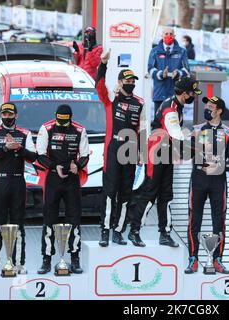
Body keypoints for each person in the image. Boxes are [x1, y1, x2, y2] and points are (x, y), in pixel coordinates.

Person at [128, 77, 202, 247]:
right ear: (184, 94)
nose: (193, 97)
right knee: (150, 193)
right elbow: (177, 134)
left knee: (167, 194)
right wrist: (197, 144)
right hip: (156, 153)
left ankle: (165, 233)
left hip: (167, 153)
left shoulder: (177, 105)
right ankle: (134, 231)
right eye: (192, 93)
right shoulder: (171, 108)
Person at [185, 96, 229, 274]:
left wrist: (220, 166)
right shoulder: (196, 130)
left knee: (219, 222)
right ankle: (193, 258)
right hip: (199, 180)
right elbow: (185, 153)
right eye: (206, 106)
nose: (207, 109)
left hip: (218, 182)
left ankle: (217, 259)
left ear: (219, 111)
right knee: (194, 221)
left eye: (211, 106)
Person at [96, 49, 144, 247]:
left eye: (133, 81)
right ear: (120, 82)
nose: (131, 83)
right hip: (113, 147)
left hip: (131, 149)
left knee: (126, 193)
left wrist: (141, 152)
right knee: (110, 191)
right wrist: (103, 64)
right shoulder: (111, 99)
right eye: (128, 81)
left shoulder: (139, 102)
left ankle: (118, 230)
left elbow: (140, 128)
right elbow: (99, 85)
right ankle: (105, 230)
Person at [0, 103, 37, 276]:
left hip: (17, 182)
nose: (7, 117)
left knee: (18, 224)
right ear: (1, 115)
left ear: (16, 115)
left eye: (10, 113)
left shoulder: (25, 133)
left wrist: (19, 148)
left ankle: (18, 264)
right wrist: (6, 149)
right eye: (4, 114)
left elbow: (33, 157)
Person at [36, 105, 90, 275]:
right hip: (53, 178)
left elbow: (86, 154)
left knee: (74, 219)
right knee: (49, 220)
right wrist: (54, 166)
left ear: (71, 118)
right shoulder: (46, 128)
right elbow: (40, 154)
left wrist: (78, 166)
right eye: (60, 120)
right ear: (55, 116)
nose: (62, 124)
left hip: (72, 180)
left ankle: (75, 258)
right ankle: (46, 259)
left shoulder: (80, 130)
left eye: (65, 121)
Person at [148, 27, 190, 113]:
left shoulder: (182, 51)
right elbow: (150, 69)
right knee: (159, 121)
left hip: (177, 93)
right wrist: (161, 74)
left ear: (174, 36)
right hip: (160, 92)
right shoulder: (155, 51)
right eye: (166, 34)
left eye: (171, 34)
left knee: (176, 121)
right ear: (162, 35)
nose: (168, 36)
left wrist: (178, 73)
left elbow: (186, 70)